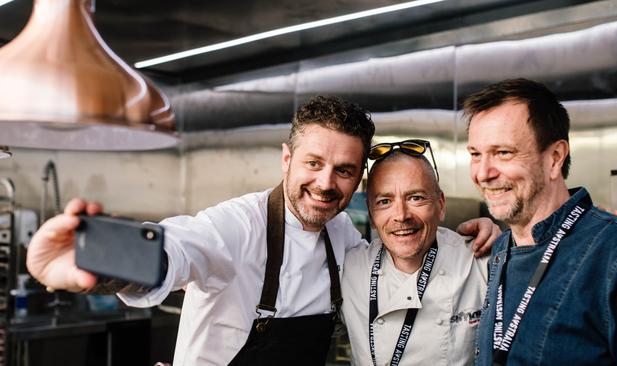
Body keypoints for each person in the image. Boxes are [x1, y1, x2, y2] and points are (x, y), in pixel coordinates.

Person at [26, 96, 498, 366]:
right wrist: (97, 257)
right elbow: (179, 246)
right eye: (313, 163)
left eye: (343, 170)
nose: (326, 183)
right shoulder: (238, 226)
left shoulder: (344, 241)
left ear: (357, 180)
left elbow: (404, 241)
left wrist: (468, 234)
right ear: (287, 159)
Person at [464, 78, 617, 365]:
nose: (483, 172)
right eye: (476, 154)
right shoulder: (500, 248)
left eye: (503, 152)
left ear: (555, 157)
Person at [341, 141, 490, 366]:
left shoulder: (481, 262)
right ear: (371, 216)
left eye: (416, 197)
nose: (401, 215)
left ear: (440, 205)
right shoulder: (349, 268)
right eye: (384, 201)